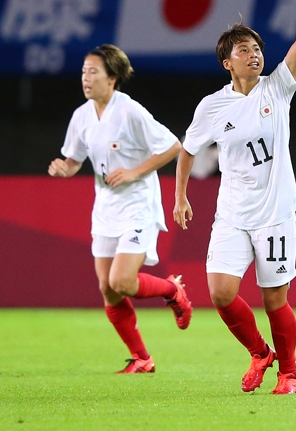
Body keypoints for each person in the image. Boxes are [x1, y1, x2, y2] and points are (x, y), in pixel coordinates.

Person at [173, 0, 296, 394]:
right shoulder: (213, 105)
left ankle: (289, 373)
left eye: (256, 49)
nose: (254, 55)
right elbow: (188, 149)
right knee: (219, 292)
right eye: (243, 50)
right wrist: (179, 196)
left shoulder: (278, 88)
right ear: (226, 62)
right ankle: (259, 352)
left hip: (274, 213)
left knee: (275, 300)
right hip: (232, 213)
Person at [48, 44, 192, 374]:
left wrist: (134, 171)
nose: (86, 78)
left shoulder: (130, 112)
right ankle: (142, 358)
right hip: (106, 209)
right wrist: (64, 168)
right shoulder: (82, 116)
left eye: (93, 71)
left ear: (112, 78)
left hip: (138, 204)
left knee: (122, 281)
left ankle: (173, 290)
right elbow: (74, 161)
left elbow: (173, 146)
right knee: (107, 289)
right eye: (84, 71)